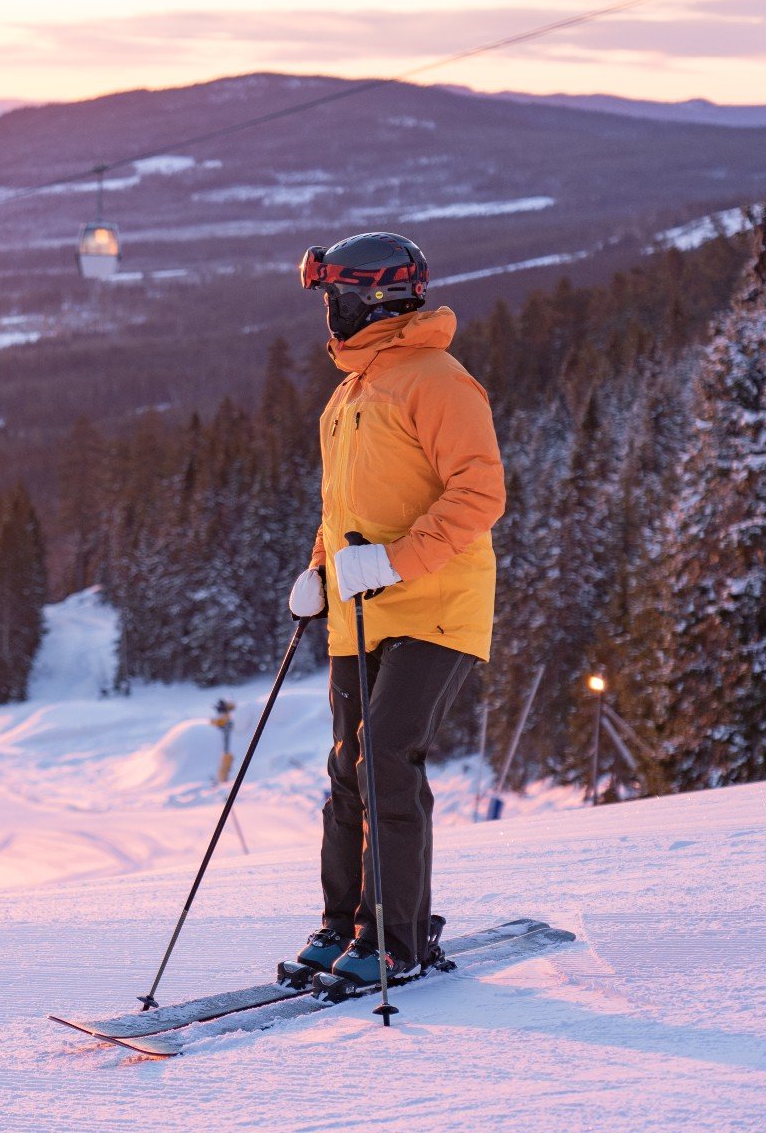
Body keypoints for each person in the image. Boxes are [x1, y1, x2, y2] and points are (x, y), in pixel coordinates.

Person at [283, 232, 505, 988]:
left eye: (335, 298)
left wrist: (394, 561)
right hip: (359, 611)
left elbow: (480, 493)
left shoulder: (437, 381)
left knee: (384, 760)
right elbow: (344, 508)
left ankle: (395, 941)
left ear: (373, 298)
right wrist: (318, 571)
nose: (328, 313)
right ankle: (342, 926)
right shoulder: (347, 396)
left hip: (438, 607)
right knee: (349, 769)